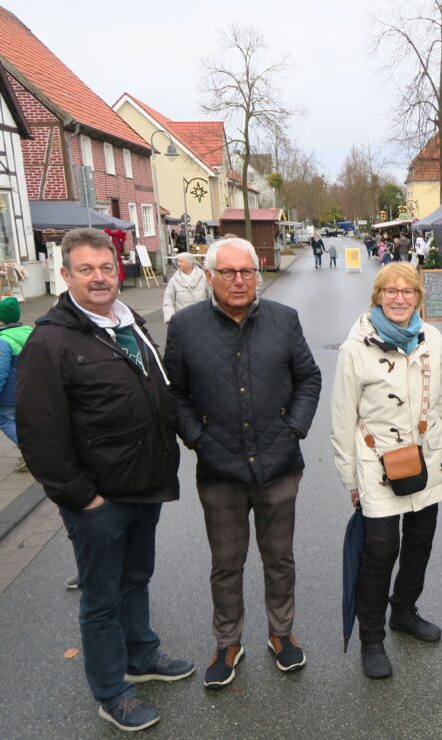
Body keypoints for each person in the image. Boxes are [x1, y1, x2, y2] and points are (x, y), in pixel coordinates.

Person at [15, 227, 191, 732]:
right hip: (98, 500)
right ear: (65, 275)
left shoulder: (128, 321)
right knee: (101, 598)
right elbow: (39, 433)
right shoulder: (50, 341)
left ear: (118, 270)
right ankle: (112, 691)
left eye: (106, 268)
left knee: (136, 579)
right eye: (86, 269)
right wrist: (81, 497)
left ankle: (141, 654)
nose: (99, 278)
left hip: (145, 485)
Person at [163, 237, 322, 689]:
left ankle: (281, 633)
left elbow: (308, 378)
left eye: (247, 271)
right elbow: (174, 393)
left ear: (257, 274)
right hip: (219, 471)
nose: (238, 280)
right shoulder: (186, 326)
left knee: (279, 559)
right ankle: (227, 641)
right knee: (226, 564)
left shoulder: (284, 319)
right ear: (209, 276)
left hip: (279, 465)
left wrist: (293, 429)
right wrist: (197, 439)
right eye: (228, 272)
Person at [331, 263, 442, 679]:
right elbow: (342, 418)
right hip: (377, 463)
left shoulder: (431, 339)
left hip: (426, 457)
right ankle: (371, 638)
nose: (399, 298)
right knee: (381, 548)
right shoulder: (355, 347)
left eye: (407, 291)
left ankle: (404, 610)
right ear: (377, 296)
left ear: (418, 298)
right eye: (390, 291)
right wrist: (350, 478)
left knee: (421, 538)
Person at [0, 297, 30, 471]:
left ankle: (30, 450)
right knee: (26, 420)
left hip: (10, 393)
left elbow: (0, 372)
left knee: (4, 418)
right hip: (29, 389)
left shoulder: (3, 341)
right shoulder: (29, 332)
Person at [162, 253, 209, 322]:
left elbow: (212, 296)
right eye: (178, 261)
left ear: (189, 263)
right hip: (182, 319)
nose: (178, 263)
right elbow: (168, 299)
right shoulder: (174, 279)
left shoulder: (204, 277)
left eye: (181, 261)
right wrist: (170, 318)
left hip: (202, 318)